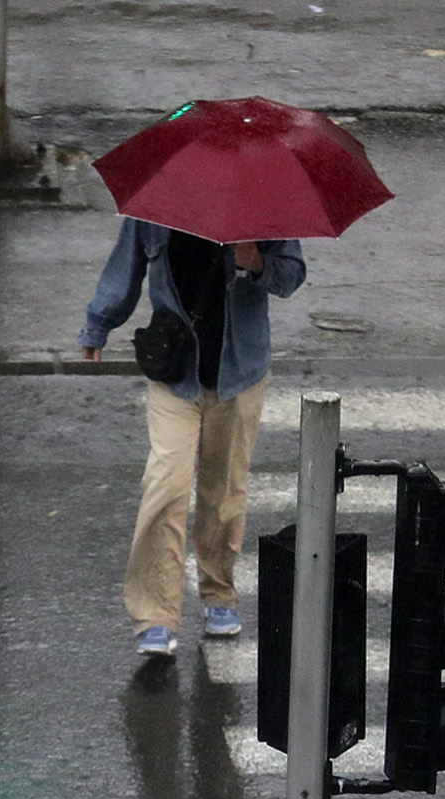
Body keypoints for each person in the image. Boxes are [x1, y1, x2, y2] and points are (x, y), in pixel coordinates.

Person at [78, 219, 306, 656]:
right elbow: (125, 266)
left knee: (224, 492)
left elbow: (292, 274)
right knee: (166, 484)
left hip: (238, 374)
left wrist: (257, 262)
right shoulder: (159, 209)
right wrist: (98, 324)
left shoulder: (261, 208)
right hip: (175, 370)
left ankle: (219, 593)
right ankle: (155, 616)